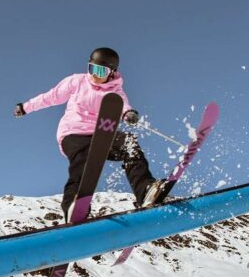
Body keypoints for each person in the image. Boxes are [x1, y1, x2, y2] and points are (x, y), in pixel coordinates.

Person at [14, 47, 167, 221]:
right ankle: (73, 205)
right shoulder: (76, 81)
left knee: (129, 144)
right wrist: (25, 107)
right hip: (73, 133)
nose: (94, 74)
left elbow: (123, 106)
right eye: (91, 68)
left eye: (101, 71)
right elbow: (51, 97)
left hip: (101, 134)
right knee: (82, 161)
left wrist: (128, 113)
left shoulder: (116, 92)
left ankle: (145, 190)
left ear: (112, 72)